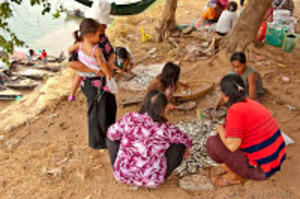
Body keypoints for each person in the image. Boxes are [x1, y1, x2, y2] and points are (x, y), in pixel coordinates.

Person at [206, 74, 286, 187]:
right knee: (226, 132)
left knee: (212, 143)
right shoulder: (250, 103)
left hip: (262, 170)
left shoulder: (235, 111)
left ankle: (235, 176)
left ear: (224, 96)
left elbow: (232, 146)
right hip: (276, 160)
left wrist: (219, 129)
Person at [106, 90, 192, 188]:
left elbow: (111, 134)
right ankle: (165, 174)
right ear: (162, 109)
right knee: (180, 145)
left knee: (111, 136)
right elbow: (187, 140)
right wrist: (186, 148)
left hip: (121, 175)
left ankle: (121, 166)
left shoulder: (130, 118)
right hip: (153, 180)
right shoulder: (167, 129)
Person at [67, 18, 117, 150]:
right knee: (97, 113)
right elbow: (72, 62)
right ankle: (98, 143)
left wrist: (110, 63)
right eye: (99, 31)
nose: (105, 27)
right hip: (92, 81)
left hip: (100, 79)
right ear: (92, 33)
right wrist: (105, 73)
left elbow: (111, 52)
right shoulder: (94, 49)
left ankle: (110, 135)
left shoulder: (87, 41)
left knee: (109, 106)